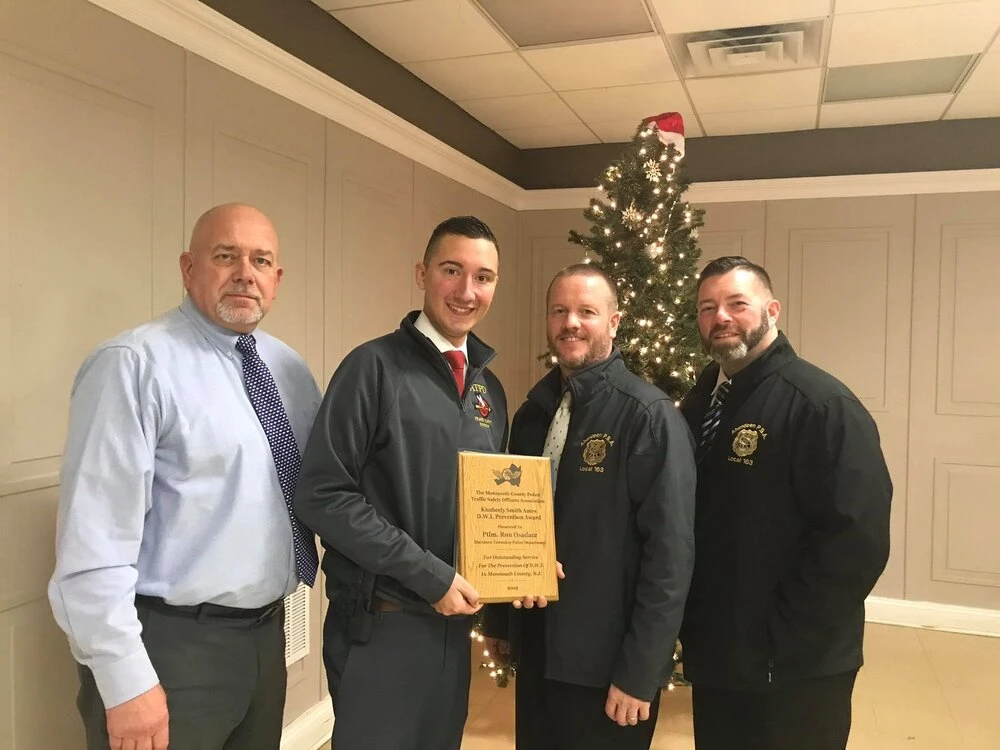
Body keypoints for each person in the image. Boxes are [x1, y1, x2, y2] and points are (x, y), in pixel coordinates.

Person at [48, 204, 322, 750]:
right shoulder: (133, 364)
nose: (246, 272)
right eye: (226, 256)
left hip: (266, 638)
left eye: (261, 260)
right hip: (169, 650)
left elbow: (323, 489)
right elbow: (91, 546)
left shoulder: (288, 370)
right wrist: (126, 681)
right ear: (188, 267)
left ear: (277, 278)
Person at [292, 215, 508, 750]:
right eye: (452, 270)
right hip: (381, 629)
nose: (466, 290)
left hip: (452, 630)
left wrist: (519, 556)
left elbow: (489, 505)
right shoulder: (372, 369)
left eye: (483, 277)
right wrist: (427, 575)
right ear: (422, 273)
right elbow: (323, 495)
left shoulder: (489, 389)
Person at [678, 256, 892, 750]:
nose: (721, 317)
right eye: (708, 308)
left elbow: (857, 539)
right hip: (720, 653)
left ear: (771, 310)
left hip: (795, 665)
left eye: (737, 304)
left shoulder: (821, 405)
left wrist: (783, 634)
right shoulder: (701, 402)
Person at [491, 263, 696, 750]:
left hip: (608, 663)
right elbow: (506, 521)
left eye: (586, 311)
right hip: (540, 648)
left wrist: (642, 670)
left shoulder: (649, 417)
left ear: (614, 321)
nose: (571, 323)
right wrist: (502, 623)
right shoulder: (532, 414)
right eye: (559, 311)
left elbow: (671, 555)